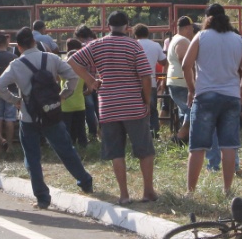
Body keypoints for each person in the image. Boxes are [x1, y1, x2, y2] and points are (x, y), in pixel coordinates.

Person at [0, 27, 94, 209]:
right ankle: (85, 181)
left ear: (18, 46)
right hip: (52, 112)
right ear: (34, 41)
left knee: (32, 157)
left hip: (28, 117)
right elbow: (72, 76)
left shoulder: (16, 65)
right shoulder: (51, 58)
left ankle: (42, 197)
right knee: (65, 149)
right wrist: (64, 94)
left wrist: (16, 101)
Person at [69, 11, 158, 205]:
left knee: (116, 152)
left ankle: (124, 195)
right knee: (144, 150)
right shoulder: (133, 45)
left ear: (107, 26)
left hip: (108, 106)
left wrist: (91, 81)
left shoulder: (97, 45)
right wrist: (146, 101)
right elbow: (145, 76)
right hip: (133, 104)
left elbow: (72, 61)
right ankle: (148, 191)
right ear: (127, 26)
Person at [183, 4, 242, 195]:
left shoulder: (201, 36)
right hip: (231, 96)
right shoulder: (238, 40)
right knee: (228, 146)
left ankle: (190, 191)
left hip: (205, 95)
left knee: (198, 146)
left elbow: (186, 64)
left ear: (207, 18)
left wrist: (192, 89)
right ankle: (227, 189)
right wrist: (241, 92)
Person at [167, 17, 196, 146]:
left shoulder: (175, 39)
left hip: (175, 80)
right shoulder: (182, 40)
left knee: (185, 111)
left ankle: (185, 139)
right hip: (181, 81)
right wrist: (192, 77)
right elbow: (183, 59)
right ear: (186, 28)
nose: (192, 30)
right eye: (191, 27)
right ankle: (180, 137)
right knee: (192, 109)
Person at [134, 24, 167, 137]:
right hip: (150, 82)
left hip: (134, 84)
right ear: (147, 33)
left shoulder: (133, 45)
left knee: (136, 110)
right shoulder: (155, 45)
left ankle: (138, 134)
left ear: (135, 34)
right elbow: (163, 62)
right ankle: (154, 134)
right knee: (152, 110)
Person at [63, 38, 90, 146]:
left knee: (67, 128)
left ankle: (68, 145)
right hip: (80, 104)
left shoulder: (63, 72)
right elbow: (90, 89)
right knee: (81, 128)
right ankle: (83, 145)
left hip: (66, 104)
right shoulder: (83, 73)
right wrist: (82, 94)